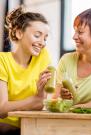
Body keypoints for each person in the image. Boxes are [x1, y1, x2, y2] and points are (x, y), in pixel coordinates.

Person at [0, 6, 52, 134]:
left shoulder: (42, 57)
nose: (42, 43)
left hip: (33, 125)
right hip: (6, 127)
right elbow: (2, 109)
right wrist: (35, 99)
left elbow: (40, 104)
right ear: (19, 33)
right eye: (37, 35)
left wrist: (39, 98)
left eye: (45, 38)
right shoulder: (2, 61)